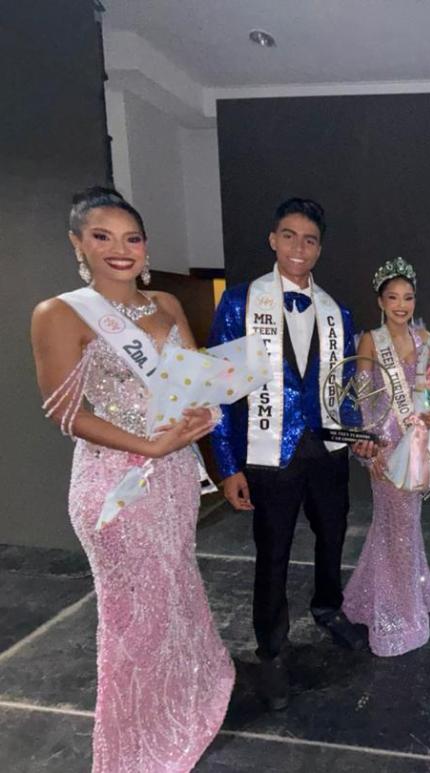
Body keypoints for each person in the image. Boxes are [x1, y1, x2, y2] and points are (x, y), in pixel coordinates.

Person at [31, 187, 234, 771]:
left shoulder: (165, 303)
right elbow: (64, 412)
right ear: (78, 244)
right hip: (115, 484)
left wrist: (204, 412)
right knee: (133, 615)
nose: (120, 250)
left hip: (174, 478)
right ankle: (136, 741)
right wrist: (150, 444)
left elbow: (192, 380)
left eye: (132, 238)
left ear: (146, 246)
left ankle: (183, 693)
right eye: (102, 237)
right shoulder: (60, 313)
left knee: (175, 590)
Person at [208, 197, 374, 711]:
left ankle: (328, 607)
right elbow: (219, 390)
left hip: (325, 450)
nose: (298, 247)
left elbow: (344, 388)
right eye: (289, 235)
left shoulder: (337, 312)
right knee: (273, 551)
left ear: (319, 248)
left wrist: (355, 433)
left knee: (333, 533)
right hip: (268, 450)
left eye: (309, 239)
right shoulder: (240, 302)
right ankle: (272, 649)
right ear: (272, 240)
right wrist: (227, 466)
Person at [342, 258, 430, 655]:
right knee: (396, 523)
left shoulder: (426, 338)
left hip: (416, 443)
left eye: (408, 297)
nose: (401, 305)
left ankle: (404, 587)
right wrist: (372, 451)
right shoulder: (370, 341)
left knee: (405, 523)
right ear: (380, 301)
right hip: (386, 447)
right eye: (393, 298)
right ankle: (398, 608)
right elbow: (364, 398)